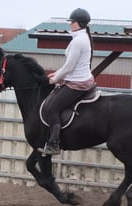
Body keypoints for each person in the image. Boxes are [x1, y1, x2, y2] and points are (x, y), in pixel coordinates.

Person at [41, 8, 96, 155]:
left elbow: (69, 67)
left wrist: (54, 80)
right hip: (78, 78)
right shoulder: (82, 38)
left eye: (72, 21)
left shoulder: (78, 41)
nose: (70, 24)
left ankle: (53, 143)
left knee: (52, 108)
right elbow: (69, 66)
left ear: (78, 23)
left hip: (77, 83)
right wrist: (57, 73)